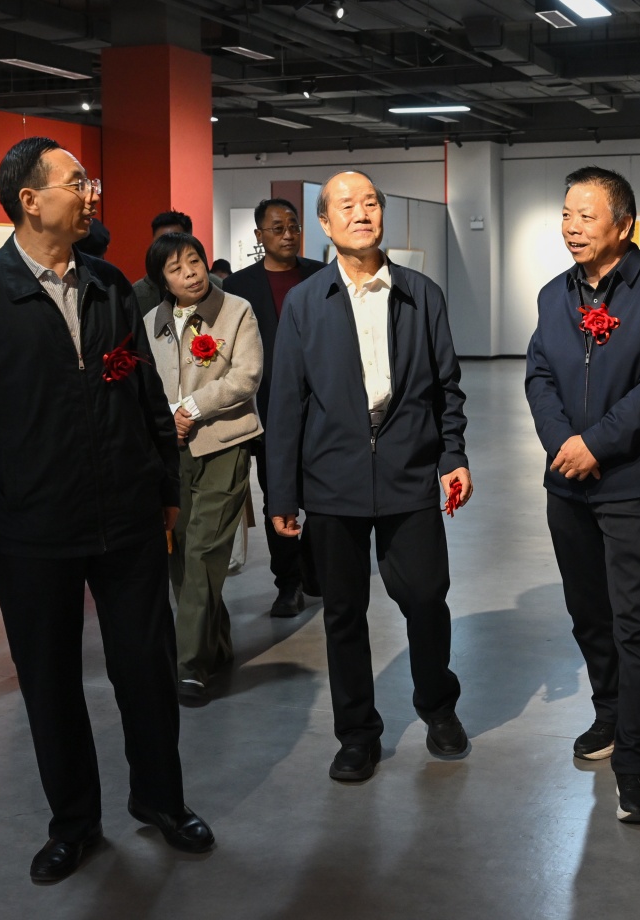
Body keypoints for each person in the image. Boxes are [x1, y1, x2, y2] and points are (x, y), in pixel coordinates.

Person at [0, 137, 210, 884]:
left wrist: (166, 487)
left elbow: (142, 389)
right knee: (49, 680)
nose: (90, 193)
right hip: (27, 525)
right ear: (30, 200)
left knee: (147, 669)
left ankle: (161, 800)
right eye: (77, 182)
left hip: (127, 514)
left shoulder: (108, 284)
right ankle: (74, 823)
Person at [267, 170, 471, 784]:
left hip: (410, 474)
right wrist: (282, 493)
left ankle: (438, 706)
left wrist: (452, 456)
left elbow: (447, 388)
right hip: (333, 482)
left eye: (370, 203)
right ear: (325, 223)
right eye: (347, 206)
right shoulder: (306, 303)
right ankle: (357, 733)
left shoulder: (421, 294)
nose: (362, 213)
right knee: (343, 613)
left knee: (426, 598)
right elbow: (286, 403)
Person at [524, 165, 640, 825]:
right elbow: (539, 374)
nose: (572, 227)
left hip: (633, 485)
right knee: (589, 613)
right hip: (566, 482)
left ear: (624, 225)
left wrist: (597, 444)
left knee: (638, 624)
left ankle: (637, 769)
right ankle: (609, 713)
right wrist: (562, 442)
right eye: (566, 214)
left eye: (586, 215)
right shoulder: (553, 295)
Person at [144, 231, 263, 700]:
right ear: (163, 280)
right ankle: (217, 643)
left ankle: (189, 664)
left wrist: (188, 409)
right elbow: (145, 381)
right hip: (171, 452)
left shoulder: (236, 310)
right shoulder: (152, 321)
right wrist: (163, 421)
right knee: (179, 554)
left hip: (224, 443)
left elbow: (246, 375)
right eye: (176, 269)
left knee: (205, 550)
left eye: (193, 261)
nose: (190, 273)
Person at [222, 197, 326, 616]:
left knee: (325, 496)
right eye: (278, 228)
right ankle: (288, 583)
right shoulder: (238, 287)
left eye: (294, 226)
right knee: (277, 499)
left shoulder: (321, 276)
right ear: (259, 235)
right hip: (267, 410)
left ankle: (314, 566)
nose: (288, 235)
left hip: (322, 409)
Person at [131, 210, 222, 318]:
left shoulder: (218, 286)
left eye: (194, 261)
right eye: (162, 242)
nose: (169, 248)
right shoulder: (139, 294)